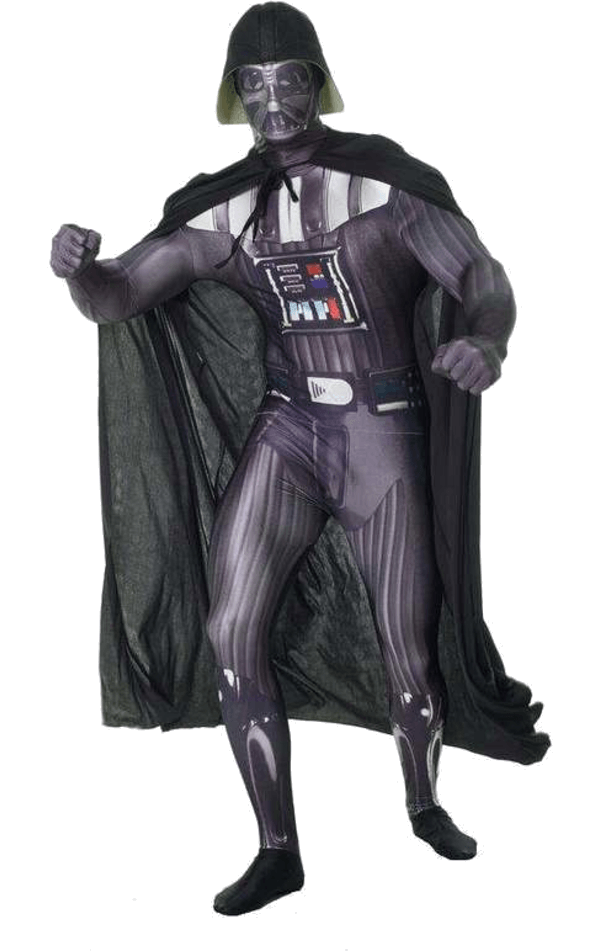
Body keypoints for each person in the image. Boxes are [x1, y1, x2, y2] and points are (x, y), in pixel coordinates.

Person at [50, 1, 550, 916]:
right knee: (230, 625)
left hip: (381, 429)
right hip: (289, 428)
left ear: (318, 83)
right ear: (234, 95)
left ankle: (424, 801)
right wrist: (83, 269)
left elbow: (481, 274)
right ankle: (276, 846)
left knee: (407, 639)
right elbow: (122, 295)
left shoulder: (386, 183)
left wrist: (487, 338)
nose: (274, 99)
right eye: (255, 83)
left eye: (289, 80)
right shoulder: (224, 206)